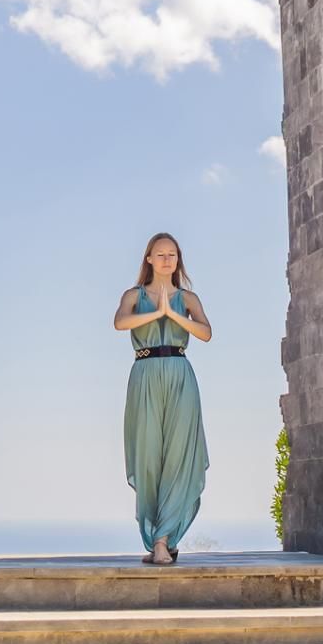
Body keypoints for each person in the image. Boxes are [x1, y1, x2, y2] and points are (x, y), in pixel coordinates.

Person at [113, 232, 211, 565]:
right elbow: (119, 323)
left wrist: (174, 314)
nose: (167, 259)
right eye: (160, 254)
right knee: (148, 456)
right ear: (149, 259)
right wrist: (157, 314)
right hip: (144, 374)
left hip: (181, 375)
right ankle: (156, 535)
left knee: (179, 457)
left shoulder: (188, 299)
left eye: (172, 254)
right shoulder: (133, 295)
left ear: (177, 260)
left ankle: (163, 539)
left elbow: (206, 333)